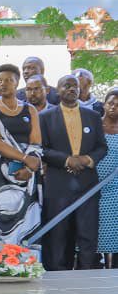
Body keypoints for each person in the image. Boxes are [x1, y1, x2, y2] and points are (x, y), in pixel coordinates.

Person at [39, 74, 107, 271]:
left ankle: (86, 276)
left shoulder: (93, 116)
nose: (72, 89)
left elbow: (102, 147)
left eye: (75, 86)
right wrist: (67, 160)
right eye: (67, 85)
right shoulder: (45, 117)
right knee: (58, 236)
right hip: (58, 186)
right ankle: (58, 278)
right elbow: (42, 149)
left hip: (87, 185)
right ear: (57, 90)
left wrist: (86, 160)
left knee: (87, 235)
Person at [98, 88, 118, 268]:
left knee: (114, 230)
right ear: (104, 104)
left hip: (116, 189)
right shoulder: (95, 125)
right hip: (93, 187)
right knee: (98, 230)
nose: (113, 107)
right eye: (111, 103)